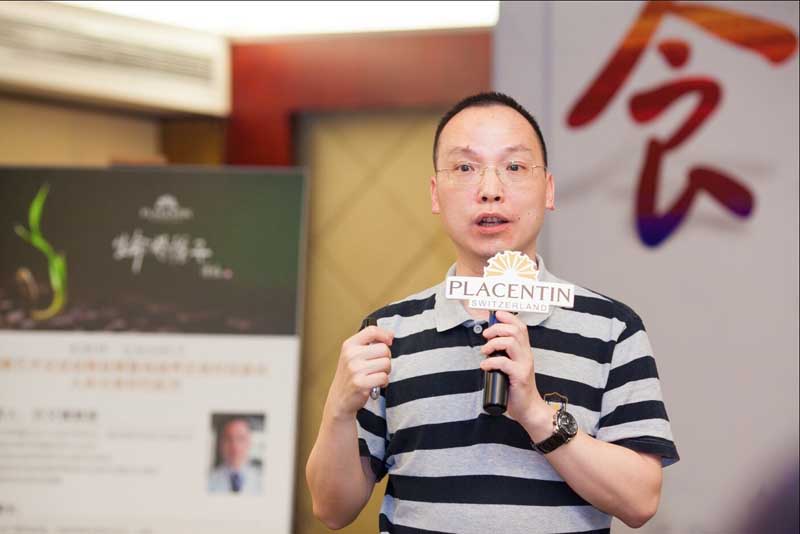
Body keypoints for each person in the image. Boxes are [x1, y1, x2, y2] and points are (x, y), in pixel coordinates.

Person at [306, 92, 679, 533]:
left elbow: (639, 501)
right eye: (465, 168)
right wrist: (338, 410)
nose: (490, 190)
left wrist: (536, 413)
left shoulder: (612, 328)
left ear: (548, 189)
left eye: (514, 167)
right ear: (435, 194)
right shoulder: (388, 333)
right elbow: (332, 509)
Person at [208, 417, 263, 495]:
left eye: (240, 438)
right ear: (220, 444)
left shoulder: (262, 479)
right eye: (228, 439)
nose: (234, 446)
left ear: (249, 442)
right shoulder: (208, 480)